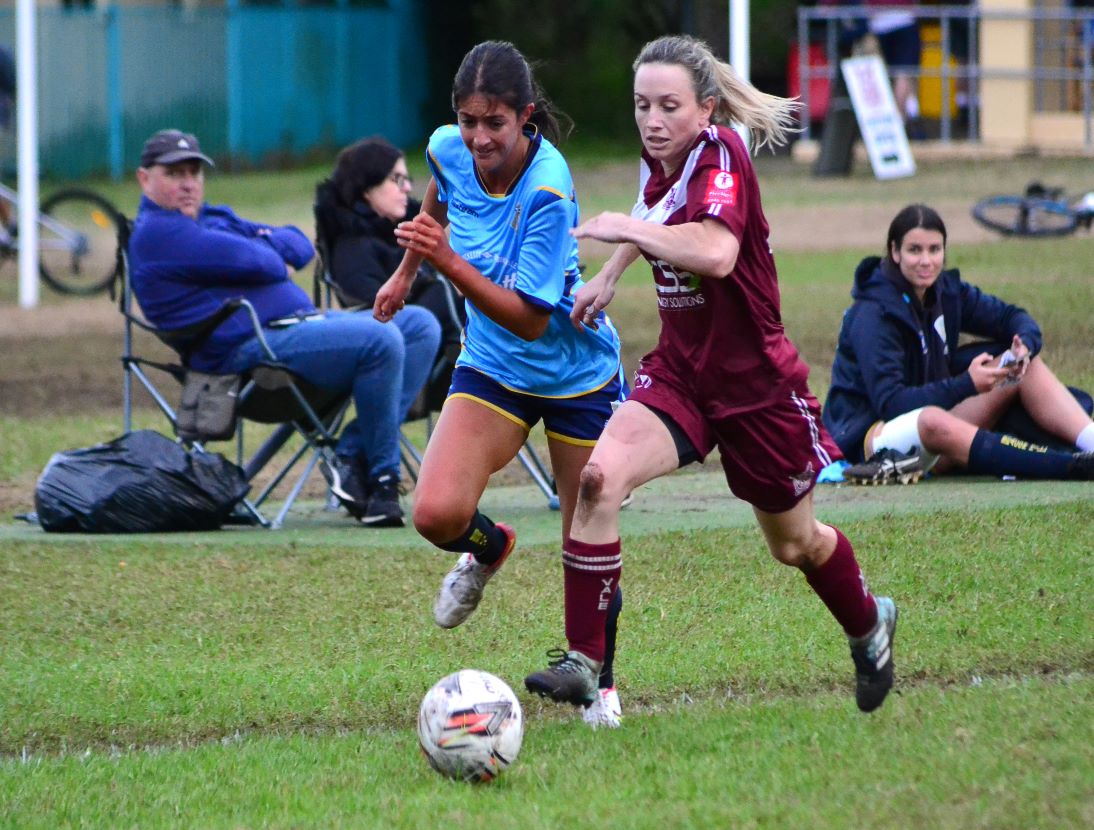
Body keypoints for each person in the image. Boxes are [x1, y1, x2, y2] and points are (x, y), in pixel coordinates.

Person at [521, 34, 897, 716]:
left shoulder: (722, 154)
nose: (652, 120)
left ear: (707, 108)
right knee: (599, 482)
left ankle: (870, 624)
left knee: (795, 545)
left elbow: (717, 251)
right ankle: (584, 661)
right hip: (682, 373)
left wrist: (616, 231)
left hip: (756, 386)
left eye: (668, 106)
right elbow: (657, 214)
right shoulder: (664, 157)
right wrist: (610, 273)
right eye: (641, 106)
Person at [373, 41, 626, 727]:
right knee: (436, 515)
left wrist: (445, 262)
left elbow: (530, 319)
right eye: (468, 119)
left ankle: (601, 684)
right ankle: (492, 549)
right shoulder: (448, 148)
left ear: (526, 118)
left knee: (588, 535)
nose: (479, 137)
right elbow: (439, 193)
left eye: (495, 123)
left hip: (574, 372)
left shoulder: (547, 187)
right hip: (493, 366)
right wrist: (404, 275)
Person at [128, 128, 441, 527]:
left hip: (296, 332)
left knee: (419, 325)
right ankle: (382, 482)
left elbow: (297, 244)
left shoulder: (210, 218)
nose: (188, 184)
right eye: (174, 174)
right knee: (380, 337)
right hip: (247, 357)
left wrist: (258, 249)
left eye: (194, 172)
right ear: (144, 179)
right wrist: (262, 247)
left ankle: (351, 456)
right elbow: (270, 263)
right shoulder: (160, 233)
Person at [823, 203, 1094, 483]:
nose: (926, 261)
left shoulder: (947, 291)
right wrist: (967, 383)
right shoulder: (873, 313)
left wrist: (1024, 345)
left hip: (936, 420)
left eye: (934, 249)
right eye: (915, 250)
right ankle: (1068, 466)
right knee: (931, 420)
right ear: (895, 252)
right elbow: (892, 403)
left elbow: (1011, 317)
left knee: (1021, 366)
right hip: (873, 435)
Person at [316, 136, 465, 355]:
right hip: (401, 343)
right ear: (366, 187)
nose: (407, 188)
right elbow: (377, 313)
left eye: (407, 179)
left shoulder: (399, 232)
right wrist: (428, 282)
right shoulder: (353, 247)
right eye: (397, 179)